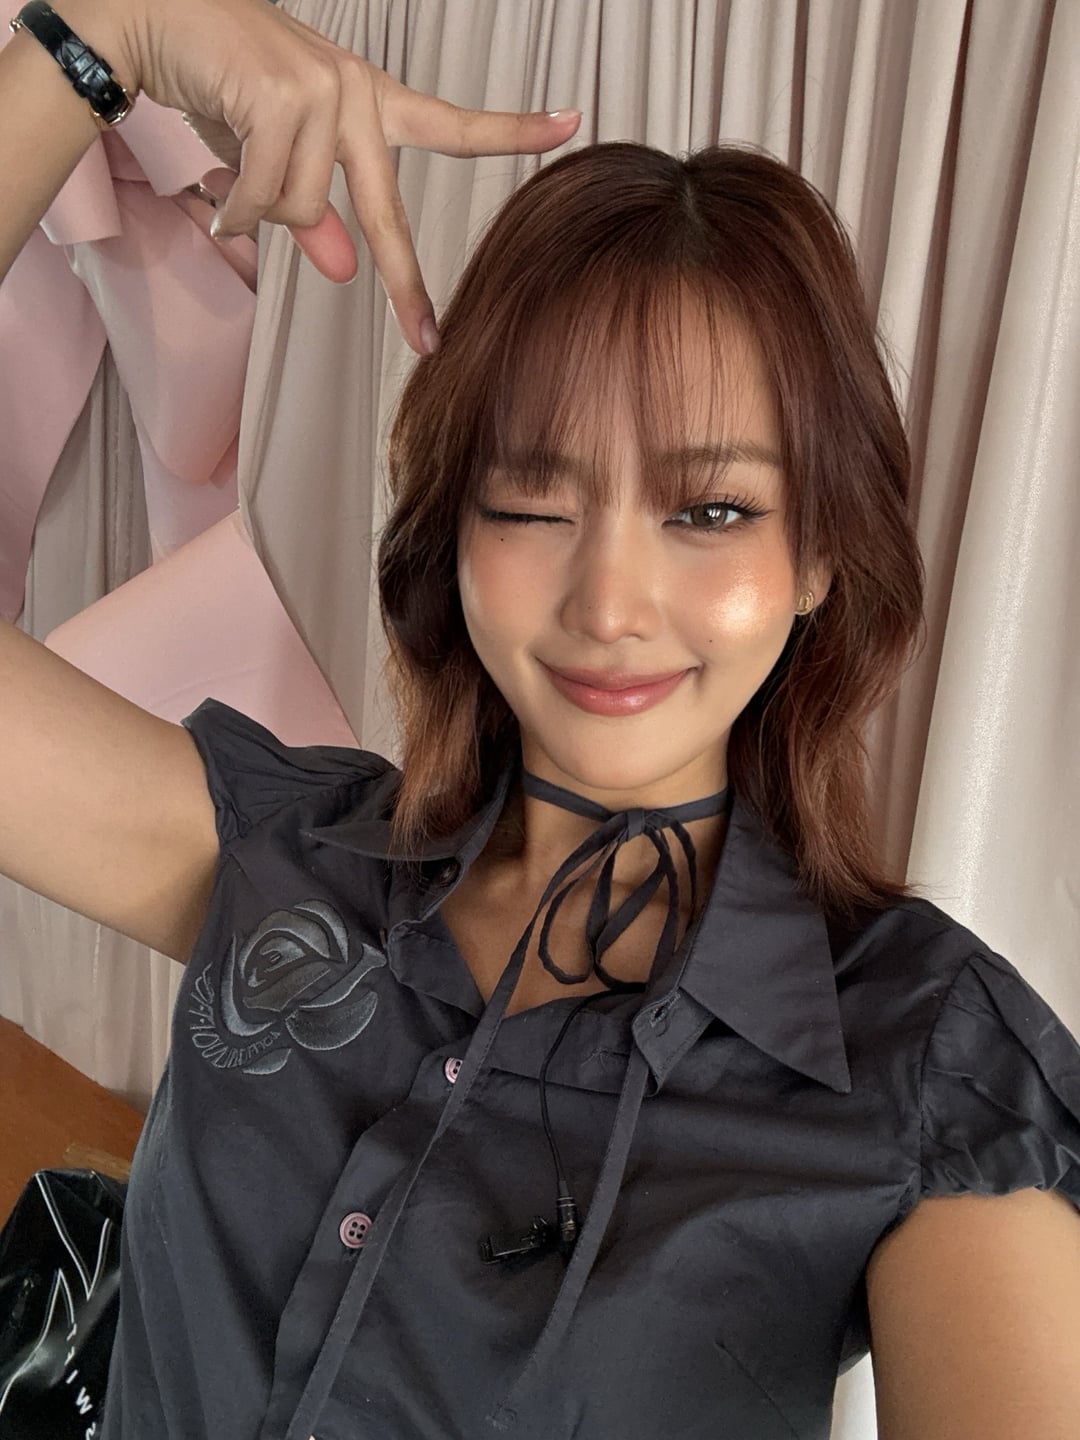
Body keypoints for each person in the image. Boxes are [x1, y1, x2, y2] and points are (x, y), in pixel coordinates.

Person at [2, 1, 1080, 1438]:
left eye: (711, 510)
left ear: (820, 555)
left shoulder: (926, 1061)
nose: (610, 603)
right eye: (530, 498)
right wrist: (104, 39)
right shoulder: (282, 852)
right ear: (454, 527)